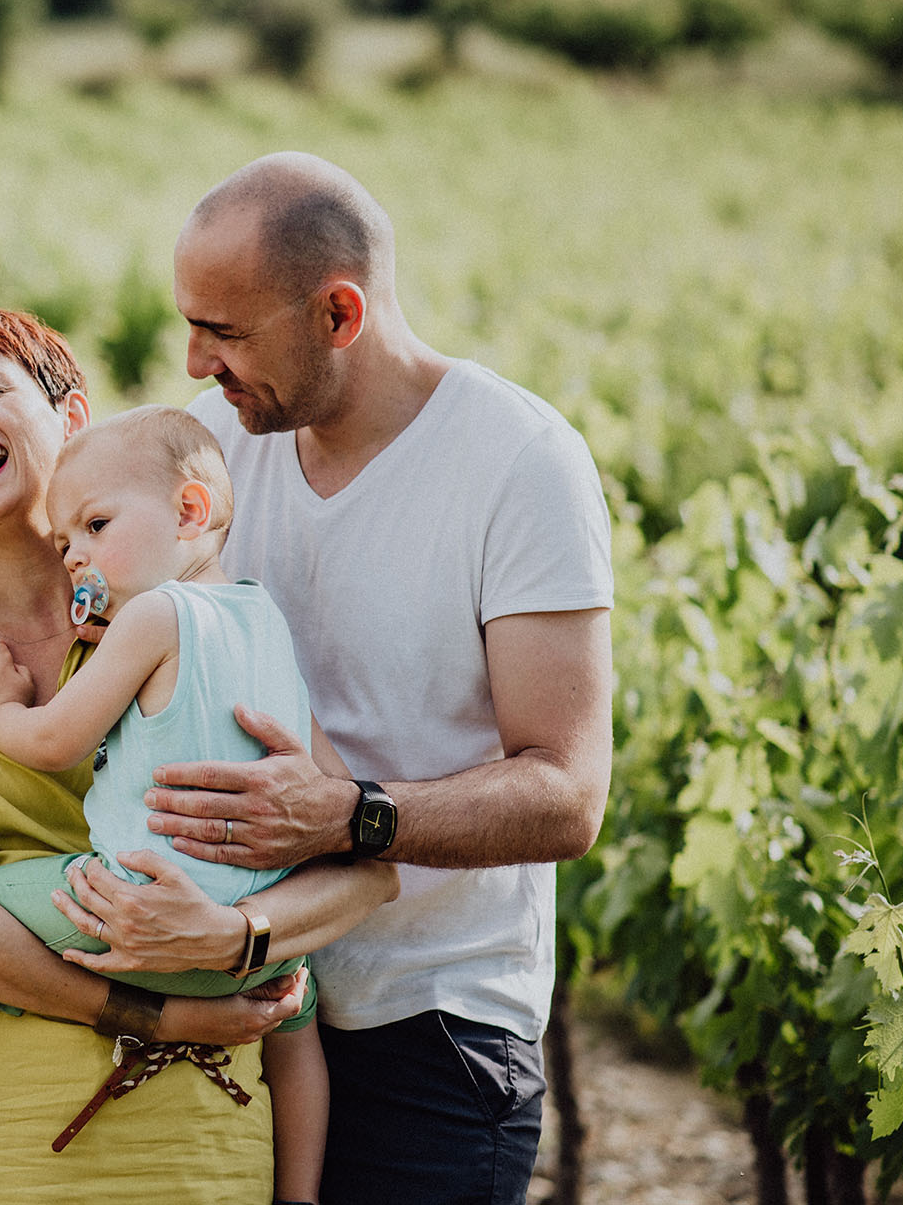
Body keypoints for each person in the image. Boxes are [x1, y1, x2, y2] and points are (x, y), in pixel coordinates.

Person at [0, 307, 398, 1205]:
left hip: (209, 1146)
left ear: (74, 420)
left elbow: (366, 871)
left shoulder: (180, 619)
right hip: (6, 1149)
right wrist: (171, 1010)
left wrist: (233, 932)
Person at [156, 152, 615, 1205]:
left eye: (224, 331)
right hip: (244, 1006)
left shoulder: (517, 464)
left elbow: (564, 789)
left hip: (434, 1032)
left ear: (338, 312)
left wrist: (346, 815)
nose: (193, 360)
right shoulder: (213, 451)